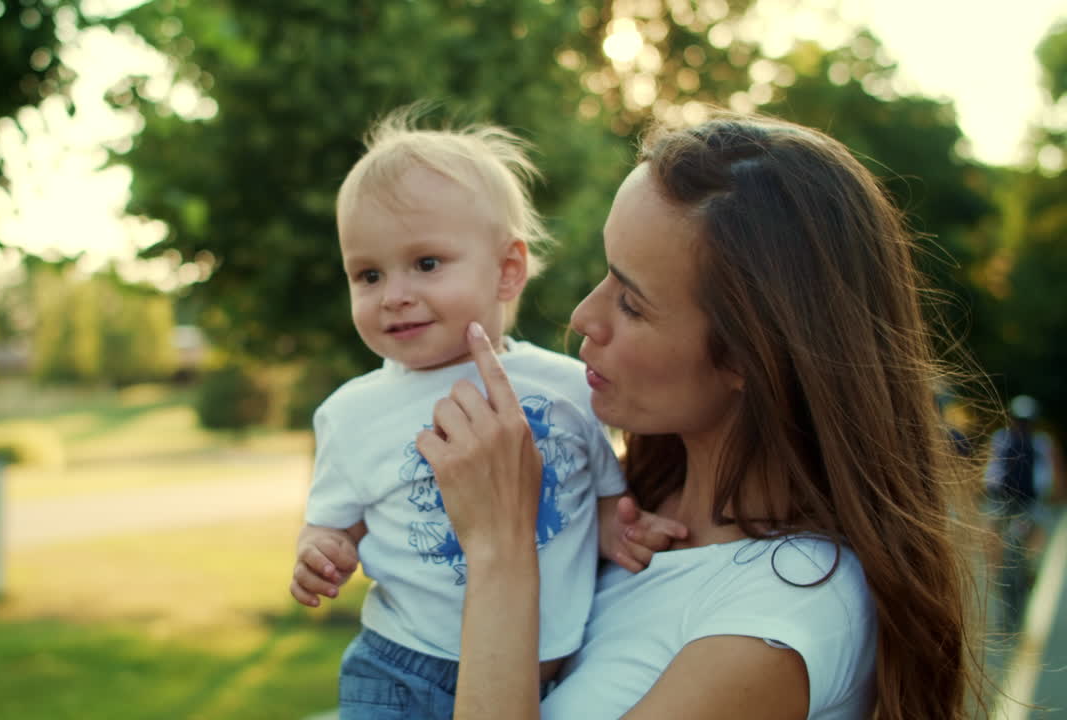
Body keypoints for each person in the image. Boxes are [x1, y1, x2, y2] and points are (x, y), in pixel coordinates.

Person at [414, 113, 986, 719]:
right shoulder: (624, 512)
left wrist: (501, 550)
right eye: (605, 273)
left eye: (631, 303)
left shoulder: (788, 611)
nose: (583, 316)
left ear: (749, 354)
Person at [289, 108, 643, 720]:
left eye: (426, 264)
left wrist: (629, 531)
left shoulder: (569, 387)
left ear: (508, 271)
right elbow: (333, 525)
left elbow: (602, 497)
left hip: (555, 671)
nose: (394, 294)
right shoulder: (352, 414)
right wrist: (322, 553)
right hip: (403, 671)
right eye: (367, 274)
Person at [985, 394, 1057, 633]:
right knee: (1036, 531)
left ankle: (997, 569)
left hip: (1005, 502)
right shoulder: (1040, 442)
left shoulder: (1002, 438)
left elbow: (991, 471)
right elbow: (1047, 477)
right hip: (1028, 503)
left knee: (993, 536)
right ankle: (1031, 566)